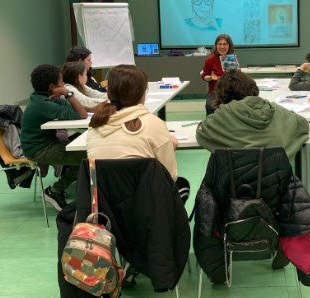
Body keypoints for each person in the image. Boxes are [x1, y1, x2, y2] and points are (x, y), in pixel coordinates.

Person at [86, 64, 190, 288]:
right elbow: (169, 178)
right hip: (150, 215)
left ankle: (131, 259)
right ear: (143, 93)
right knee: (182, 186)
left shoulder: (95, 127)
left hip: (107, 215)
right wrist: (167, 144)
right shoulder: (154, 125)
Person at [196, 69, 309, 162]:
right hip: (277, 184)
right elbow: (303, 124)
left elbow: (202, 131)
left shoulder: (221, 116)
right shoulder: (274, 109)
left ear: (221, 94)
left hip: (235, 185)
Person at [21, 64, 88, 211]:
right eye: (61, 81)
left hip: (48, 143)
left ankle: (59, 189)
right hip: (39, 149)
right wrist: (67, 93)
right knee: (88, 157)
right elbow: (82, 115)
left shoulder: (44, 98)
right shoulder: (43, 104)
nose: (64, 84)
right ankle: (55, 190)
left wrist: (63, 96)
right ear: (52, 86)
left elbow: (72, 110)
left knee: (84, 150)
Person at [201, 34, 235, 115]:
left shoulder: (232, 59)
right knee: (211, 106)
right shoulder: (210, 59)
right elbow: (204, 76)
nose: (222, 47)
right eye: (219, 44)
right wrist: (210, 78)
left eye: (225, 44)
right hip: (215, 92)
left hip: (231, 91)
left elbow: (237, 75)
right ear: (216, 45)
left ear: (229, 46)